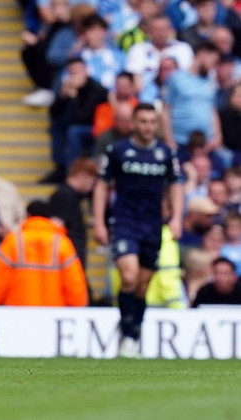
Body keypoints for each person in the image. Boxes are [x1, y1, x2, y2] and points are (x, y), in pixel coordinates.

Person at [93, 103, 184, 358]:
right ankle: (128, 337)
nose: (147, 126)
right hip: (124, 223)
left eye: (152, 122)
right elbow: (101, 186)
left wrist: (177, 218)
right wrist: (99, 221)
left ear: (157, 124)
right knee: (129, 277)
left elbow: (176, 186)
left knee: (143, 286)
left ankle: (132, 333)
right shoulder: (117, 151)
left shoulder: (166, 153)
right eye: (142, 121)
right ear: (133, 123)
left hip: (152, 224)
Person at [0, 201, 88, 307]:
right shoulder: (62, 243)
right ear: (49, 218)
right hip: (53, 314)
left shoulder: (13, 241)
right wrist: (77, 305)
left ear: (28, 215)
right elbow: (74, 283)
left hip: (17, 315)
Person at [162, 42, 221, 151]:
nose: (213, 67)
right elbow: (166, 110)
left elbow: (213, 110)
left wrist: (217, 136)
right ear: (202, 55)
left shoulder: (211, 81)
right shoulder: (176, 78)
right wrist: (168, 139)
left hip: (206, 142)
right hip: (180, 141)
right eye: (213, 62)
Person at [49, 158, 99, 270]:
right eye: (92, 181)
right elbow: (57, 225)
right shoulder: (66, 195)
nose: (92, 186)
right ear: (82, 175)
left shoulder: (70, 195)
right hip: (69, 258)